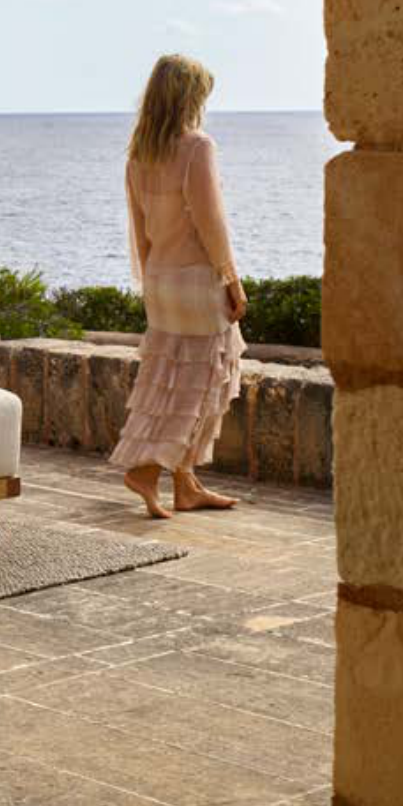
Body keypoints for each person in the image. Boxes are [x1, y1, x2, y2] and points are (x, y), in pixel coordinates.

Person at [112, 54, 245, 519]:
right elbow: (211, 223)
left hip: (161, 281)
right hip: (197, 283)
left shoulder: (139, 155)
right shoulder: (196, 147)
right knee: (205, 382)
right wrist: (231, 279)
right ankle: (147, 470)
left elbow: (140, 231)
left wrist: (150, 282)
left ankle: (185, 485)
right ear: (190, 97)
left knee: (165, 381)